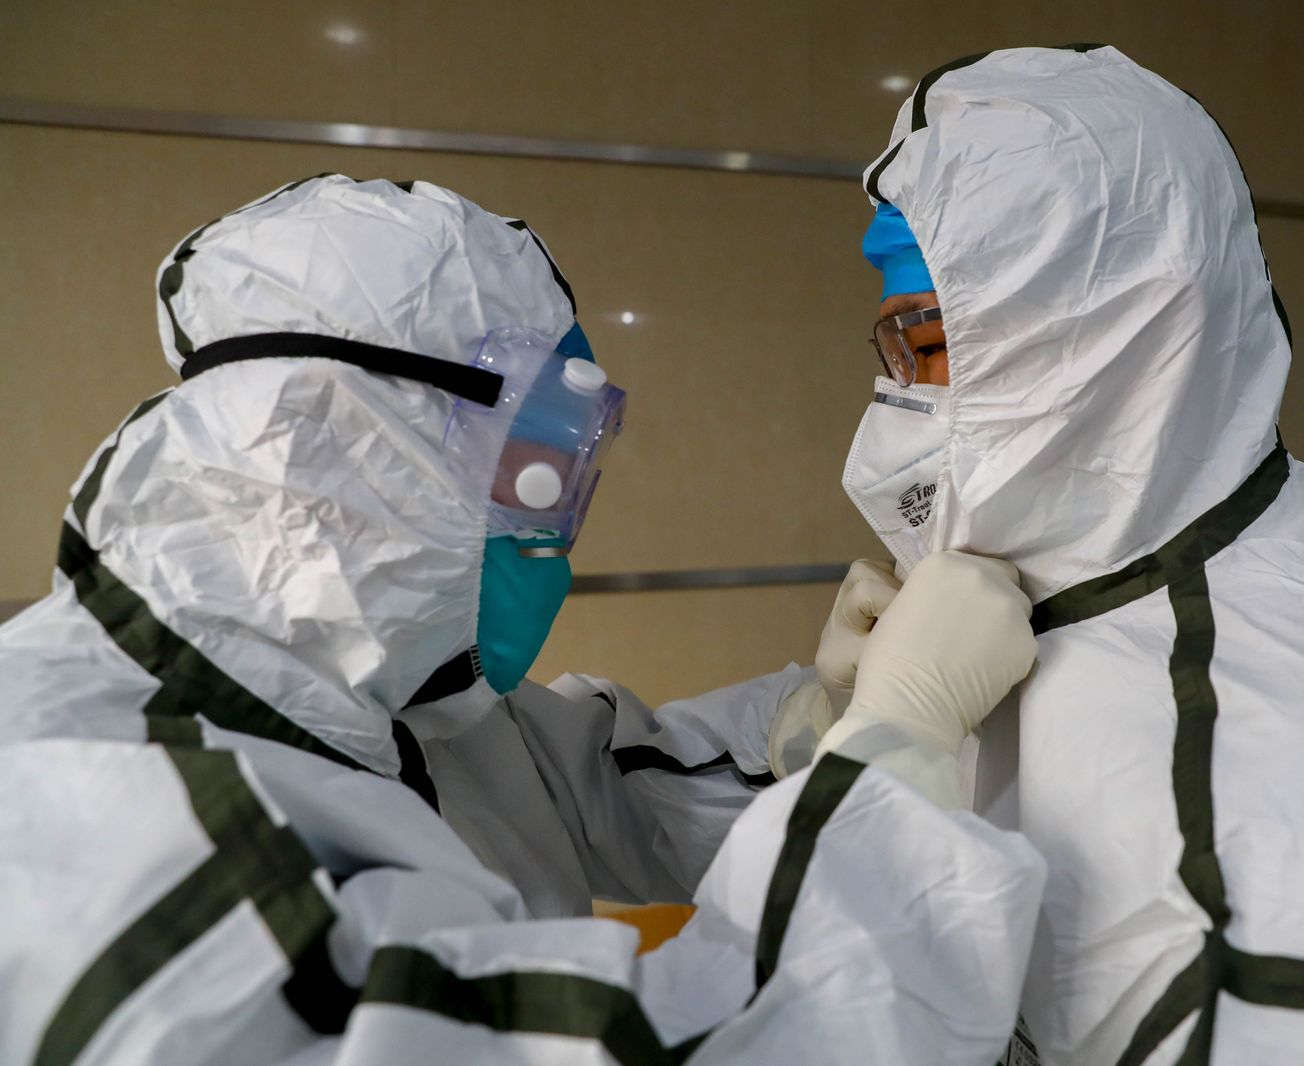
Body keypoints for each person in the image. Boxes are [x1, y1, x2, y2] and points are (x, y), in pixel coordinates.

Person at [0, 174, 1049, 1065]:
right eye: (539, 463)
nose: (556, 532)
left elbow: (612, 792)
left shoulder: (364, 711)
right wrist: (895, 745)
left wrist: (814, 723)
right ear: (340, 442)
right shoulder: (96, 826)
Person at [836, 45, 1304, 1064]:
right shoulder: (1138, 574)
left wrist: (883, 739)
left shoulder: (1272, 904)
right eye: (894, 344)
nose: (898, 397)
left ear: (1098, 346)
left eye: (928, 344)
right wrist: (841, 734)